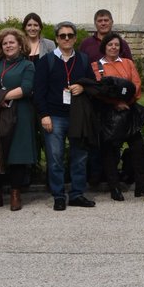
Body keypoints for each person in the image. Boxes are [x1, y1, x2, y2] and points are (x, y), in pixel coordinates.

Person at [33, 21, 97, 211]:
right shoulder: (47, 61)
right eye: (63, 36)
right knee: (55, 157)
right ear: (57, 39)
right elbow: (39, 91)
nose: (67, 38)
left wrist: (83, 86)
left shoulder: (84, 60)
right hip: (54, 116)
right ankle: (59, 195)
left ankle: (77, 194)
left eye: (70, 35)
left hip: (78, 116)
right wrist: (44, 115)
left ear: (75, 38)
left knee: (79, 157)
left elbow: (94, 86)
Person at [91, 33, 144, 201]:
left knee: (138, 148)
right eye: (110, 44)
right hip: (109, 114)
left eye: (117, 45)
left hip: (129, 112)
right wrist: (114, 103)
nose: (113, 47)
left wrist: (127, 101)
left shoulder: (128, 63)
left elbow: (137, 85)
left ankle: (143, 185)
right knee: (110, 152)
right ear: (104, 46)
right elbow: (97, 90)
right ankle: (114, 187)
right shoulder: (96, 66)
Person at [0, 27, 36, 211]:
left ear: (20, 44)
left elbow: (26, 88)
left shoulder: (27, 65)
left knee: (16, 153)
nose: (8, 45)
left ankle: (15, 193)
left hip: (20, 112)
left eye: (12, 42)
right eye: (5, 43)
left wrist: (1, 97)